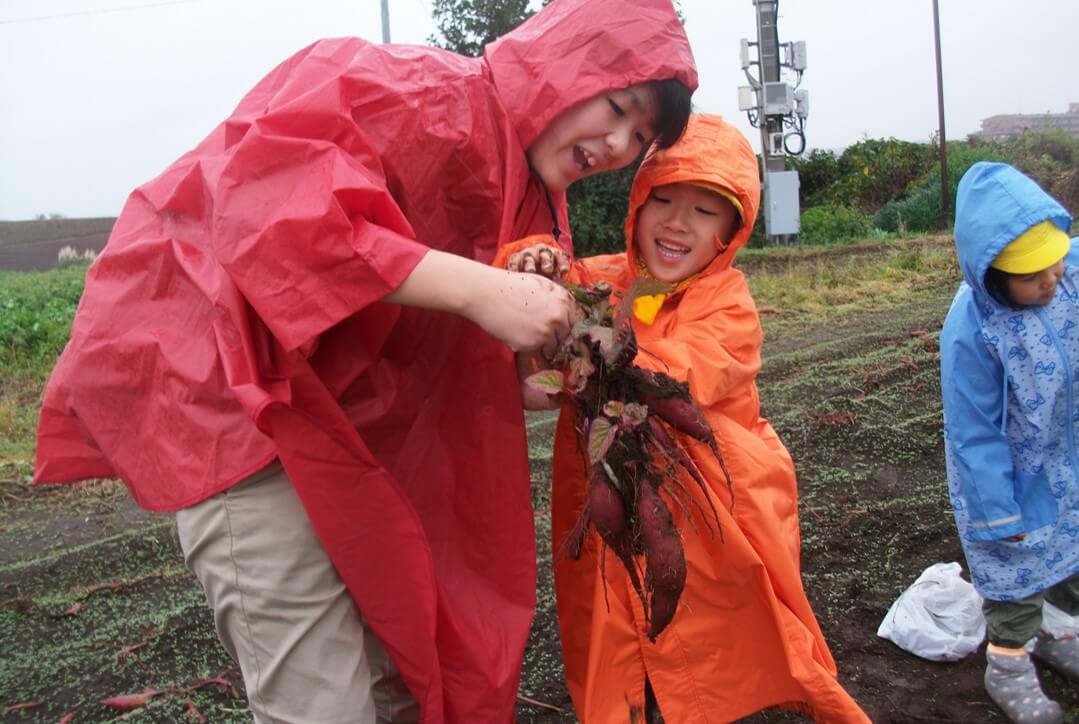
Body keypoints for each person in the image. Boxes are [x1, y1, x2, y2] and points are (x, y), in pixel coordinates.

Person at [32, 1, 696, 721]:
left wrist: (534, 380)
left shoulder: (535, 205)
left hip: (360, 439)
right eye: (619, 106)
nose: (618, 143)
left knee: (404, 670)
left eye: (639, 137)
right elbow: (274, 217)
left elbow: (454, 347)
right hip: (237, 402)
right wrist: (480, 290)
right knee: (321, 696)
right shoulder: (400, 86)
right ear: (564, 66)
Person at [512, 114, 869, 722]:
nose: (678, 223)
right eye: (665, 201)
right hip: (610, 509)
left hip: (714, 518)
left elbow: (682, 371)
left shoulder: (729, 304)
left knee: (712, 650)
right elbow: (547, 277)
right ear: (637, 208)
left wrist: (590, 356)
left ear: (731, 231)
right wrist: (532, 260)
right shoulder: (605, 281)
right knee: (623, 645)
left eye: (705, 213)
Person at [941, 161, 1079, 724]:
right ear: (990, 274)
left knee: (1070, 554)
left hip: (1066, 455)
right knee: (1016, 567)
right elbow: (974, 433)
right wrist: (996, 511)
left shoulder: (1066, 277)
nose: (1051, 280)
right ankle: (1009, 663)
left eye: (1055, 262)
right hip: (1009, 475)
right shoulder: (972, 329)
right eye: (1031, 274)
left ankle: (1054, 631)